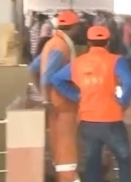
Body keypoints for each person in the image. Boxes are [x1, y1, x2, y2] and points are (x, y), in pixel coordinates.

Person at [50, 25, 131, 182]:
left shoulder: (77, 63)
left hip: (88, 120)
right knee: (123, 158)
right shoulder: (117, 60)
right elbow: (129, 82)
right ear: (108, 42)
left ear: (88, 42)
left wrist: (75, 95)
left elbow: (56, 79)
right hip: (112, 119)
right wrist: (123, 101)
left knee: (92, 161)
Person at [27, 10, 82, 182]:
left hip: (54, 102)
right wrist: (45, 98)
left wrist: (44, 95)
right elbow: (48, 76)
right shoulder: (62, 46)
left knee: (58, 142)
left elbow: (33, 69)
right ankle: (68, 178)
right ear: (74, 27)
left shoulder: (51, 43)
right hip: (63, 103)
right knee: (66, 143)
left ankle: (63, 176)